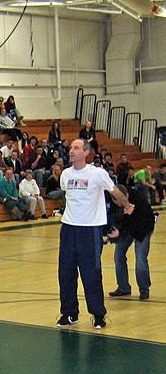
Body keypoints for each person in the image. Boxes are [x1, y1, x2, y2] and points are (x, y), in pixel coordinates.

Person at [56, 139, 133, 330]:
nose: (71, 151)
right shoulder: (65, 175)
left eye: (76, 148)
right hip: (68, 229)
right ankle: (69, 312)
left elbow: (115, 192)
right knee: (65, 273)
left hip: (90, 230)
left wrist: (127, 205)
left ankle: (98, 315)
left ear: (86, 152)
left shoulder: (98, 174)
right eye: (71, 148)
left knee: (91, 274)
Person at [107, 185, 155, 300]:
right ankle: (123, 287)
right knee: (118, 255)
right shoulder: (112, 200)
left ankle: (144, 288)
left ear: (127, 195)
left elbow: (139, 225)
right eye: (118, 202)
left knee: (140, 257)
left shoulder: (140, 200)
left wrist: (121, 231)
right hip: (127, 228)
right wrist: (113, 232)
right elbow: (112, 218)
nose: (123, 203)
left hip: (143, 229)